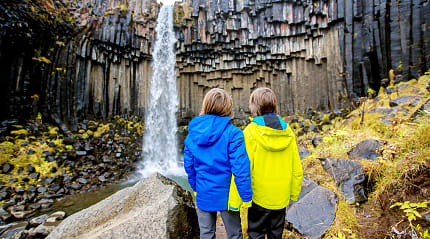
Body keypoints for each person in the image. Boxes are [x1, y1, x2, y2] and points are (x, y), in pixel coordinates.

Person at [184, 88, 253, 239]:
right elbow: (241, 169)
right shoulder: (234, 134)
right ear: (228, 107)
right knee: (235, 235)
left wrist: (196, 188)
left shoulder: (192, 135)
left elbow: (189, 167)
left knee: (206, 234)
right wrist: (246, 196)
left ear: (205, 106)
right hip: (227, 196)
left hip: (204, 192)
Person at [244, 87, 303, 239]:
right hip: (281, 197)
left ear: (254, 107)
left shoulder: (250, 132)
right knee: (276, 234)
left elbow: (244, 168)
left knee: (256, 233)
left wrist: (241, 197)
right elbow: (296, 167)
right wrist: (294, 193)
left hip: (259, 197)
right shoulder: (288, 132)